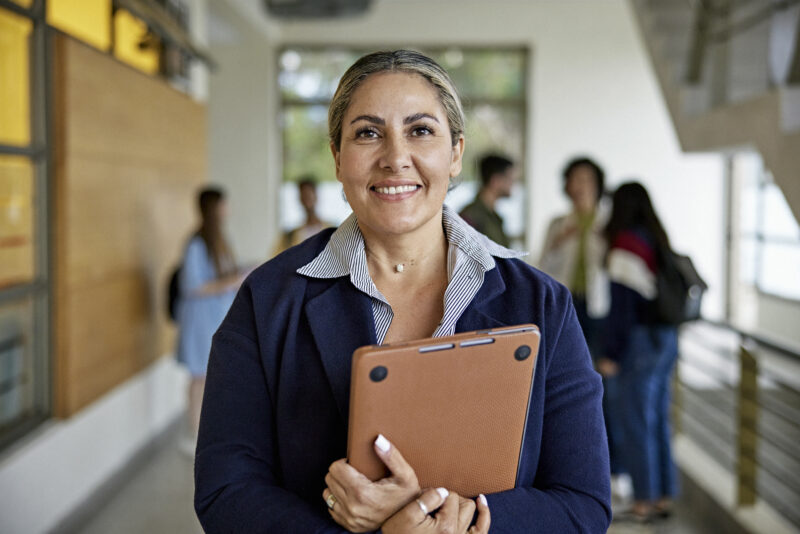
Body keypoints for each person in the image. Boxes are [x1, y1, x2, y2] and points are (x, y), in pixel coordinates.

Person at [194, 50, 611, 533]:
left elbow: (583, 505)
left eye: (420, 131)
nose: (395, 158)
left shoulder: (542, 305)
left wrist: (462, 520)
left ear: (455, 153)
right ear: (336, 156)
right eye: (368, 133)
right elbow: (226, 490)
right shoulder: (267, 301)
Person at [595, 182, 680, 522]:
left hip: (639, 343)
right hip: (666, 338)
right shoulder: (653, 238)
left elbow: (623, 309)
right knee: (657, 418)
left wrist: (611, 354)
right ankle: (663, 496)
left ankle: (643, 500)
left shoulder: (625, 245)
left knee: (635, 421)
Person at [537, 157, 624, 481]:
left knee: (605, 387)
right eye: (574, 179)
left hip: (601, 312)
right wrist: (561, 241)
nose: (579, 185)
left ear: (598, 184)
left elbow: (617, 267)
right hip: (566, 310)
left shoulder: (610, 222)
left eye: (586, 179)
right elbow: (541, 268)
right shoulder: (558, 224)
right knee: (566, 385)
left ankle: (614, 469)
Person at [174, 187, 245, 448]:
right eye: (224, 205)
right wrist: (232, 281)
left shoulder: (219, 240)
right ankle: (194, 434)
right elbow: (193, 286)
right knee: (198, 377)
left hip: (215, 319)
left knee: (211, 375)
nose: (228, 210)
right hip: (201, 321)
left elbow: (222, 275)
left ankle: (206, 431)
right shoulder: (196, 244)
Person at [458, 154, 515, 247]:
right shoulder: (470, 217)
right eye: (510, 179)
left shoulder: (495, 218)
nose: (513, 184)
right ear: (495, 180)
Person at [275, 176, 332, 254]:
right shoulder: (289, 238)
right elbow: (275, 260)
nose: (306, 199)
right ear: (300, 198)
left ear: (316, 195)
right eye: (303, 195)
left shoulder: (333, 232)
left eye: (309, 194)